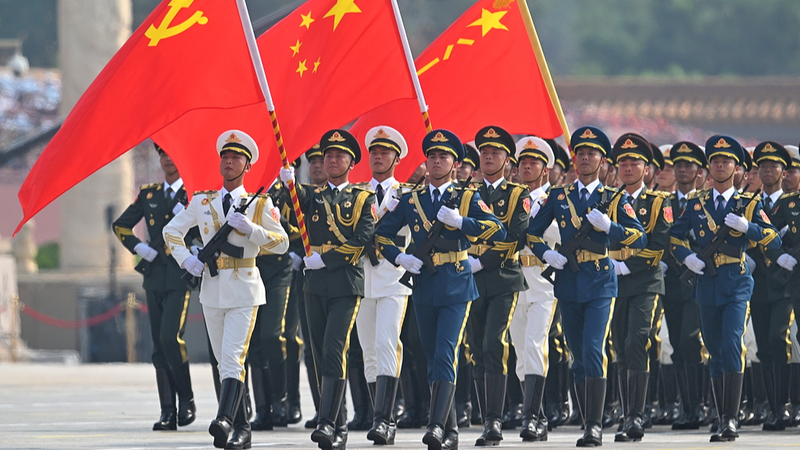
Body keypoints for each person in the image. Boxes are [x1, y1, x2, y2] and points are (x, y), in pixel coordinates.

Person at [376, 129, 504, 450]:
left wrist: (462, 222)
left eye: (443, 156)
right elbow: (381, 234)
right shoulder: (411, 199)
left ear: (456, 163)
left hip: (456, 283)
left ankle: (435, 426)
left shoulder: (466, 198)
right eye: (432, 156)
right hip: (424, 283)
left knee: (446, 352)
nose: (436, 161)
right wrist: (400, 257)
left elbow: (497, 230)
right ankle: (451, 431)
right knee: (433, 357)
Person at [164, 130, 289, 449]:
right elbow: (171, 231)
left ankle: (223, 419)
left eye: (236, 158)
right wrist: (187, 260)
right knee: (223, 362)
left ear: (248, 166)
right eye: (226, 157)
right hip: (212, 288)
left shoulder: (260, 203)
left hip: (244, 288)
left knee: (233, 357)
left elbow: (282, 243)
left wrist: (253, 230)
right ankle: (242, 429)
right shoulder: (202, 201)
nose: (229, 162)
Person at [527, 126, 647, 447]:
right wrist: (546, 254)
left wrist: (611, 227)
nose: (584, 158)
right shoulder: (559, 196)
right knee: (578, 356)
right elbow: (532, 232)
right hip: (568, 281)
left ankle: (594, 426)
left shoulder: (613, 198)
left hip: (599, 282)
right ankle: (586, 421)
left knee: (594, 350)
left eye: (591, 153)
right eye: (580, 153)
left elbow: (639, 237)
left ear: (603, 162)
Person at [670, 135, 781, 442]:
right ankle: (722, 417)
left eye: (726, 161)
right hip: (707, 283)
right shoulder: (696, 203)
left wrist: (749, 228)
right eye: (716, 161)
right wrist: (687, 257)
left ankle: (731, 419)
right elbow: (675, 237)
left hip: (736, 281)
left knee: (733, 344)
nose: (720, 165)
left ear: (737, 168)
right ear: (709, 167)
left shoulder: (749, 204)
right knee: (715, 349)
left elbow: (774, 239)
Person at [279, 129, 376, 450]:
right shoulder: (312, 195)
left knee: (335, 348)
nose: (332, 161)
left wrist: (327, 259)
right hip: (314, 285)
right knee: (319, 353)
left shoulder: (363, 198)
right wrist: (288, 182)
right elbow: (292, 205)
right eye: (328, 156)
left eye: (339, 156)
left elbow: (362, 238)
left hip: (345, 283)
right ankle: (339, 423)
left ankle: (326, 421)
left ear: (351, 162)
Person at [113, 143, 197, 431]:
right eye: (162, 154)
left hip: (179, 274)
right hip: (154, 274)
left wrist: (194, 248)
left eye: (171, 153)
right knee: (159, 345)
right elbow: (121, 225)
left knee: (170, 337)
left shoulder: (193, 196)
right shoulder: (150, 194)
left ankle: (186, 399)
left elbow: (205, 230)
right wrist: (139, 247)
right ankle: (167, 411)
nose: (167, 159)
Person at [347, 126, 413, 445]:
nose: (378, 156)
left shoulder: (408, 195)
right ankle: (379, 416)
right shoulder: (356, 194)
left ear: (396, 159)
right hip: (362, 279)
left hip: (393, 278)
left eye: (385, 152)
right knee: (369, 350)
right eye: (374, 152)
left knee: (387, 343)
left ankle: (385, 420)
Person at [465, 126, 531, 447]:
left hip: (503, 277)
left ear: (508, 161)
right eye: (485, 152)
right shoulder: (466, 192)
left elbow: (516, 237)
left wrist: (482, 261)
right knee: (476, 348)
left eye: (496, 153)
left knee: (494, 342)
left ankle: (494, 420)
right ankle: (485, 417)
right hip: (470, 278)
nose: (489, 157)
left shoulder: (518, 195)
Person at [606, 133, 673, 443]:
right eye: (623, 163)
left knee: (637, 341)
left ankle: (636, 415)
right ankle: (626, 412)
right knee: (619, 345)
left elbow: (658, 245)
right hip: (613, 282)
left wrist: (626, 266)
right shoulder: (608, 200)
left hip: (644, 281)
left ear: (647, 169)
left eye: (635, 163)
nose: (628, 168)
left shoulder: (658, 202)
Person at [509, 136, 559, 442]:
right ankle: (537, 415)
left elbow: (563, 233)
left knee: (535, 345)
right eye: (523, 162)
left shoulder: (555, 200)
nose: (527, 167)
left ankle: (530, 417)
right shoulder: (511, 198)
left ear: (546, 169)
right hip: (515, 280)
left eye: (534, 163)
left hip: (543, 280)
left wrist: (534, 223)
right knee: (520, 352)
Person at [748, 141, 794, 431]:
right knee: (763, 347)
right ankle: (773, 407)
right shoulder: (749, 204)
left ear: (783, 172)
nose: (767, 170)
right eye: (762, 166)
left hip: (785, 284)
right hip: (758, 284)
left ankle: (786, 403)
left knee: (779, 339)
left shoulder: (792, 204)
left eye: (773, 166)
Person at [662, 141, 708, 431]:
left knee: (692, 340)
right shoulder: (663, 202)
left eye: (688, 165)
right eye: (677, 165)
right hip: (671, 281)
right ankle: (687, 406)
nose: (682, 170)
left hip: (699, 280)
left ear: (699, 171)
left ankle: (700, 404)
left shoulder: (705, 201)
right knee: (677, 344)